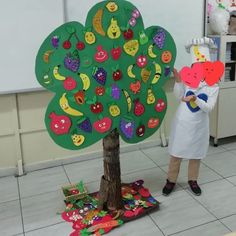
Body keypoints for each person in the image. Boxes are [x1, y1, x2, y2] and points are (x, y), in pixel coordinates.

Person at [162, 37, 221, 196]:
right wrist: (178, 81)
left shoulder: (213, 86)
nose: (199, 69)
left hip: (199, 125)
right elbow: (179, 96)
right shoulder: (188, 79)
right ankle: (171, 180)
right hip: (183, 122)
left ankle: (192, 180)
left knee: (195, 154)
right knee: (176, 153)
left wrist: (196, 99)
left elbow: (209, 107)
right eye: (196, 66)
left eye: (203, 66)